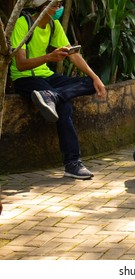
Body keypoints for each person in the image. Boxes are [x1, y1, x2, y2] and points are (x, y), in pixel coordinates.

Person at [10, 0, 106, 179]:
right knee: (64, 107)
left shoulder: (54, 25)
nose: (59, 9)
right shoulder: (23, 23)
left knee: (88, 83)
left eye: (60, 5)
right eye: (55, 5)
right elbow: (21, 64)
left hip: (47, 77)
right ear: (43, 7)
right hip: (26, 78)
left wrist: (96, 78)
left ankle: (53, 96)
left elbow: (74, 54)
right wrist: (49, 57)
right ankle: (72, 163)